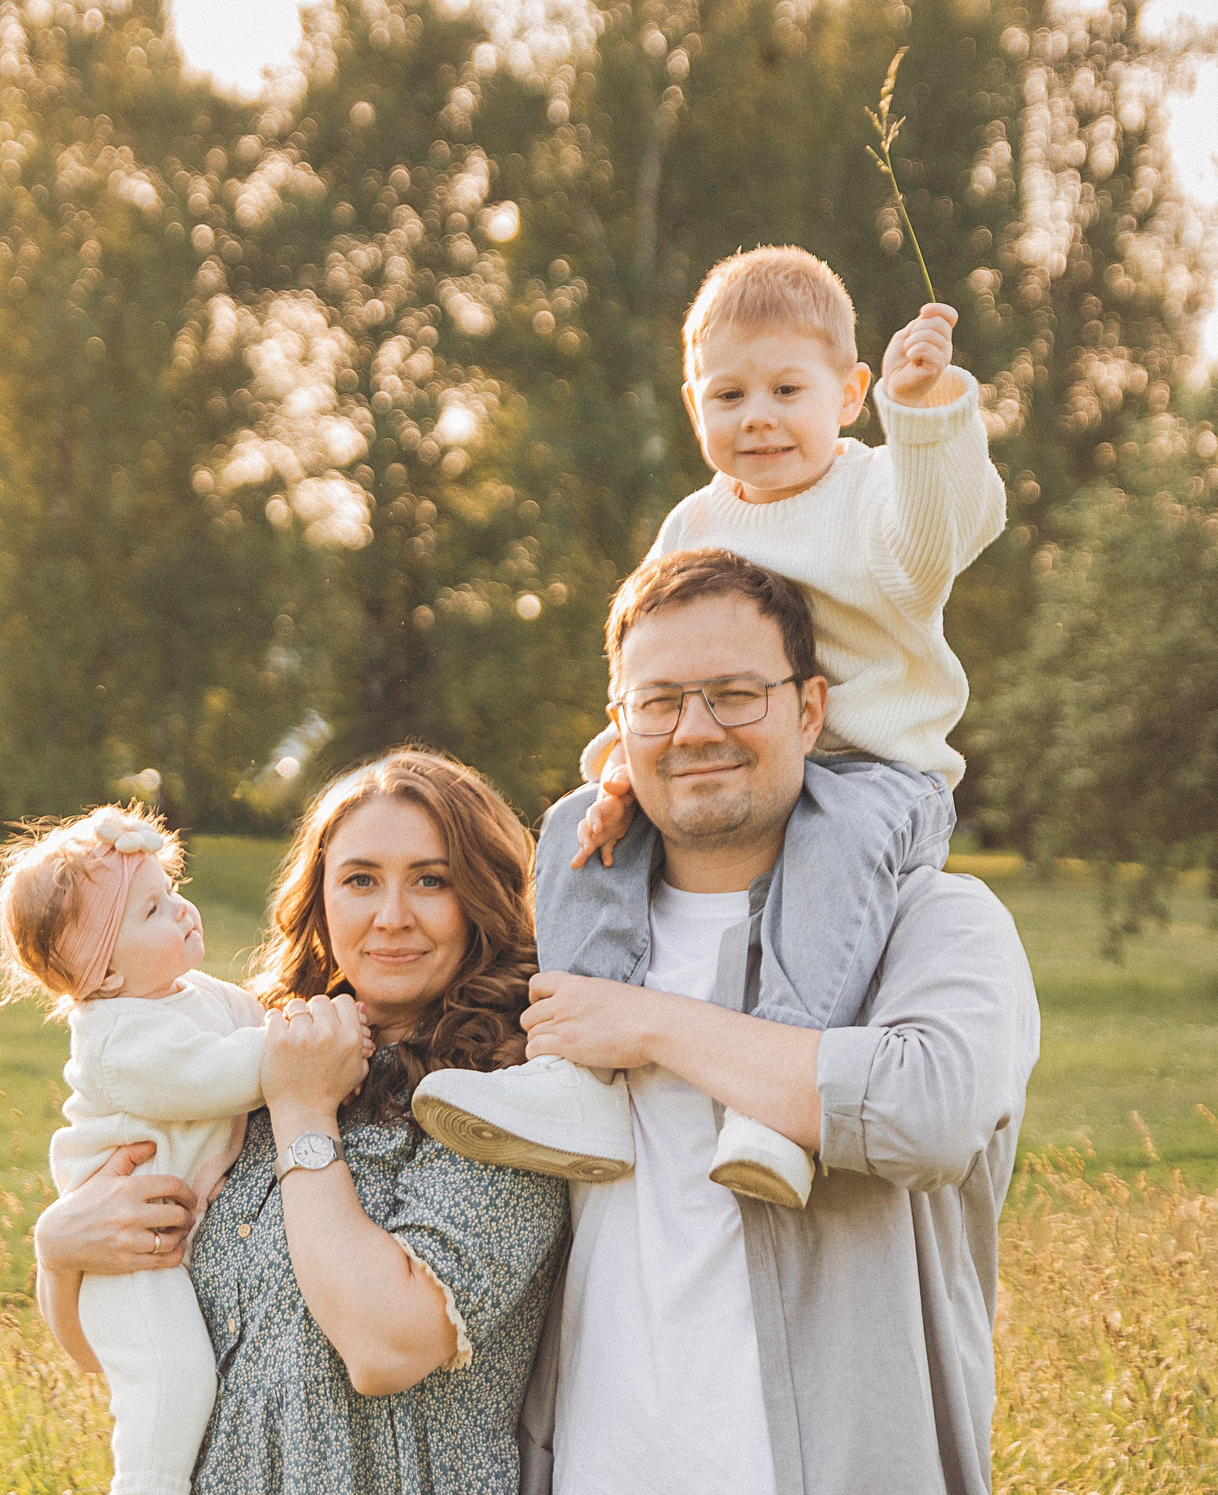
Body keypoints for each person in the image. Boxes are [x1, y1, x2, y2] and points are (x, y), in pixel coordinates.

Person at [501, 551, 1041, 1495]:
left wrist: (651, 1026)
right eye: (659, 699)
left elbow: (921, 1108)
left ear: (809, 707)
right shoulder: (561, 946)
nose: (695, 727)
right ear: (618, 726)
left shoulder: (936, 921)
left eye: (735, 692)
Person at [35, 749, 570, 1495]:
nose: (391, 914)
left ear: (482, 897)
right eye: (359, 878)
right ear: (319, 898)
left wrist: (301, 1112)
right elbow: (117, 1347)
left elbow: (384, 1343)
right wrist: (59, 1251)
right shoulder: (244, 1056)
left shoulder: (512, 1097)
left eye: (430, 879)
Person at [415, 246, 1006, 1211]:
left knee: (833, 845)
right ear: (694, 407)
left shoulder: (873, 492)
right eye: (728, 395)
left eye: (787, 389)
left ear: (849, 393)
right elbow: (651, 660)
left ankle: (775, 1101)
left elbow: (942, 535)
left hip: (878, 772)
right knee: (574, 830)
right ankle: (575, 1076)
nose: (758, 416)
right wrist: (620, 774)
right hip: (732, 755)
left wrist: (927, 414)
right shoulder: (693, 524)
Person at [0, 805, 281, 1495]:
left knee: (180, 1366)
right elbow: (224, 1073)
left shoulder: (192, 992)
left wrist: (292, 1019)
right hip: (119, 1248)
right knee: (172, 1368)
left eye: (169, 889)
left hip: (151, 1230)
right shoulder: (118, 1034)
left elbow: (255, 1019)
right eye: (151, 910)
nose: (182, 909)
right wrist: (304, 1047)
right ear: (105, 974)